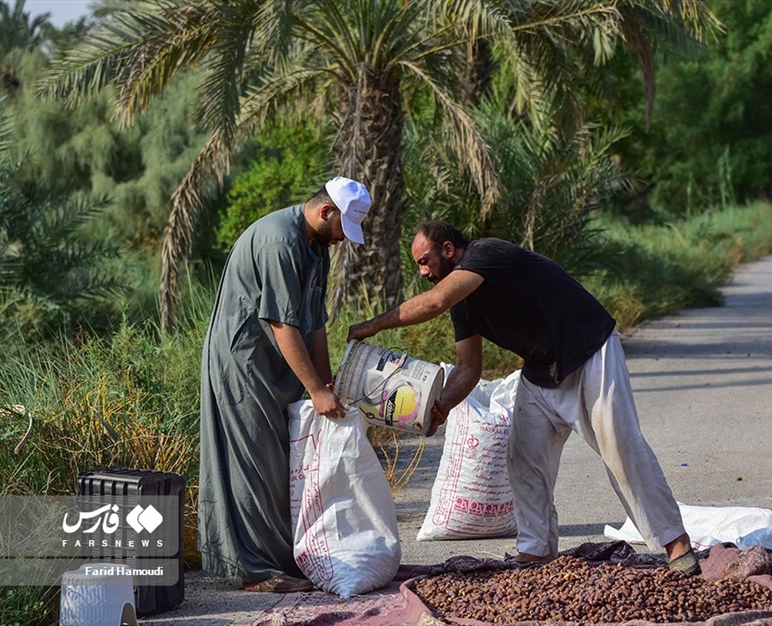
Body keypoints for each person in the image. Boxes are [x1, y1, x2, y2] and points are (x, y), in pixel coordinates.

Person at [347, 220, 700, 575]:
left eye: (425, 261)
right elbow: (467, 368)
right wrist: (440, 408)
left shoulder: (487, 252)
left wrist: (373, 325)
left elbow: (435, 301)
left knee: (621, 450)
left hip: (588, 350)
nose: (423, 272)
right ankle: (536, 550)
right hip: (541, 369)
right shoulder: (464, 306)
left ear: (449, 250)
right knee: (523, 457)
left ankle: (676, 545)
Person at [199, 177, 372, 593]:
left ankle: (282, 559)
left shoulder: (316, 248)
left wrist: (328, 380)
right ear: (325, 211)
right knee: (254, 462)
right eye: (341, 232)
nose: (340, 242)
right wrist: (315, 391)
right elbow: (282, 324)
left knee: (280, 461)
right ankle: (257, 572)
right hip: (244, 361)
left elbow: (315, 325)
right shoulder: (280, 241)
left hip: (277, 364)